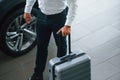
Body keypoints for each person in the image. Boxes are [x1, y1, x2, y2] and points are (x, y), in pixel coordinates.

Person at [23, 0, 77, 80]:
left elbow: (73, 3)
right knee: (41, 46)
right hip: (41, 16)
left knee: (61, 46)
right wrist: (27, 10)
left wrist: (67, 25)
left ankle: (60, 73)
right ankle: (37, 75)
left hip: (59, 18)